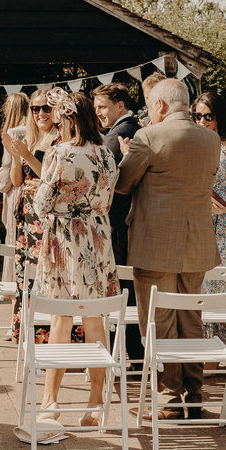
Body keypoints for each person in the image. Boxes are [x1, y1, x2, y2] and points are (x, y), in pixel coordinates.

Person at [116, 77, 220, 420]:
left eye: (150, 106)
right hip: (198, 243)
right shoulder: (212, 139)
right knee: (191, 318)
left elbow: (123, 184)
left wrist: (126, 155)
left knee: (158, 321)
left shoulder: (148, 136)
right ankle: (195, 394)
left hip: (154, 244)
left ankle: (169, 398)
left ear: (160, 105)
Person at [32, 89, 119, 427]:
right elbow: (108, 202)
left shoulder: (58, 154)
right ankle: (95, 403)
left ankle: (51, 401)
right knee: (95, 320)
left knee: (61, 320)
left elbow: (41, 205)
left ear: (67, 118)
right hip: (97, 240)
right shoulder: (106, 154)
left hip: (63, 242)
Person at [1, 89, 60, 343]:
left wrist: (25, 155)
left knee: (46, 273)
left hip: (47, 216)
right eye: (35, 109)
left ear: (56, 110)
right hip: (26, 215)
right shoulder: (30, 138)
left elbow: (50, 177)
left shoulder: (61, 140)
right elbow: (17, 181)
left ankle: (49, 336)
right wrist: (17, 156)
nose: (40, 113)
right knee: (26, 273)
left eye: (46, 108)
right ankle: (26, 332)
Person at [91, 81, 143, 364]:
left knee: (118, 288)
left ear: (120, 106)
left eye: (102, 107)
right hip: (125, 224)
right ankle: (132, 352)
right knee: (127, 289)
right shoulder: (124, 131)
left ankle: (118, 353)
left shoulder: (117, 136)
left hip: (116, 224)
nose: (98, 112)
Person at [191, 92, 226, 341]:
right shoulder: (189, 144)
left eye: (208, 116)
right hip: (194, 220)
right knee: (200, 284)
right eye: (197, 116)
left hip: (225, 224)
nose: (202, 121)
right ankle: (204, 349)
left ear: (218, 117)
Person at [0, 91, 28, 339]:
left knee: (14, 250)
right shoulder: (33, 131)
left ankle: (16, 322)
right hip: (29, 196)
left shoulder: (13, 134)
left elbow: (9, 178)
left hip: (16, 197)